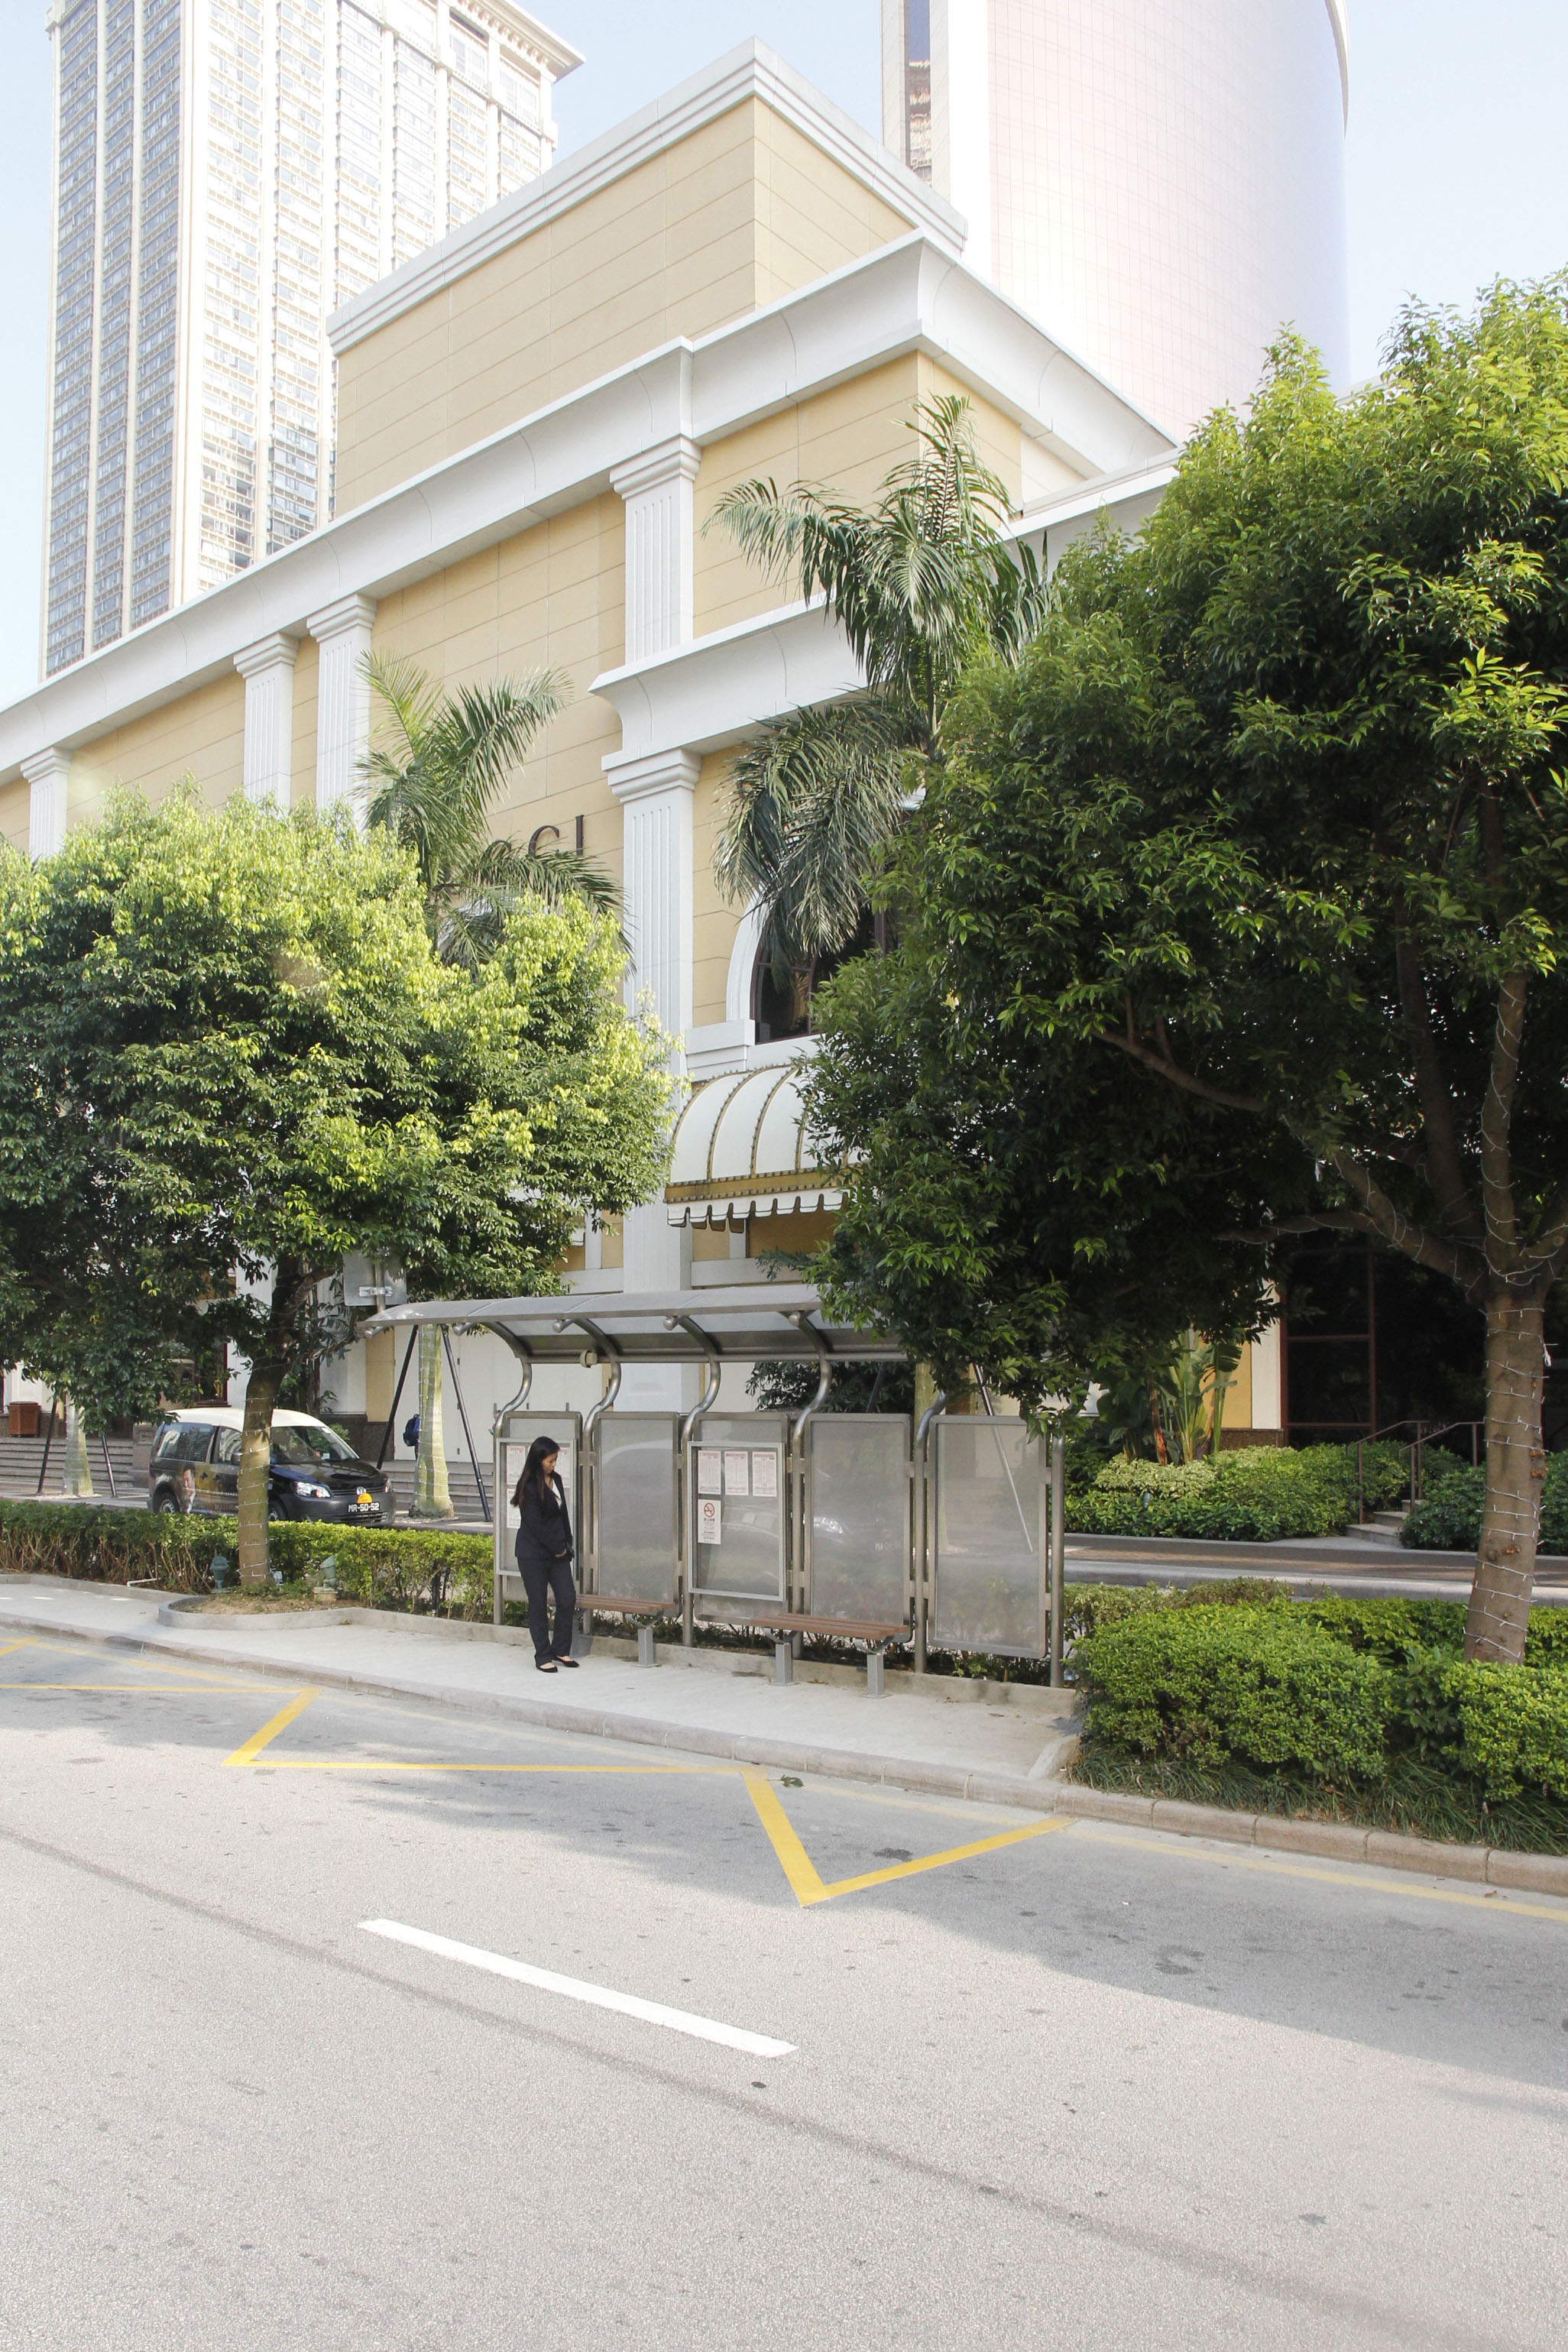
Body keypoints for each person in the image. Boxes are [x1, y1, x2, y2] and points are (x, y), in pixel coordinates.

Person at [513, 1437, 578, 1672]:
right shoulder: (529, 1486)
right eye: (550, 1461)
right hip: (533, 1554)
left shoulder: (556, 1480)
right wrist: (556, 1547)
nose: (553, 1465)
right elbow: (536, 1525)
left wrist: (567, 1542)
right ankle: (543, 1655)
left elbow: (562, 1514)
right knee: (538, 1603)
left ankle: (561, 1649)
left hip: (558, 1552)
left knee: (567, 1598)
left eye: (555, 1460)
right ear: (538, 1460)